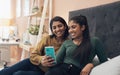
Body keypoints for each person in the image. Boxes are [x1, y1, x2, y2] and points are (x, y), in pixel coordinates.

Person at [0, 16, 69, 75]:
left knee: (17, 74)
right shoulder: (47, 39)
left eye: (60, 26)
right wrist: (41, 59)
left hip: (43, 71)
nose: (57, 29)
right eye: (54, 27)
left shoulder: (69, 43)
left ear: (65, 26)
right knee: (6, 72)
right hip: (32, 62)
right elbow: (33, 54)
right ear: (52, 29)